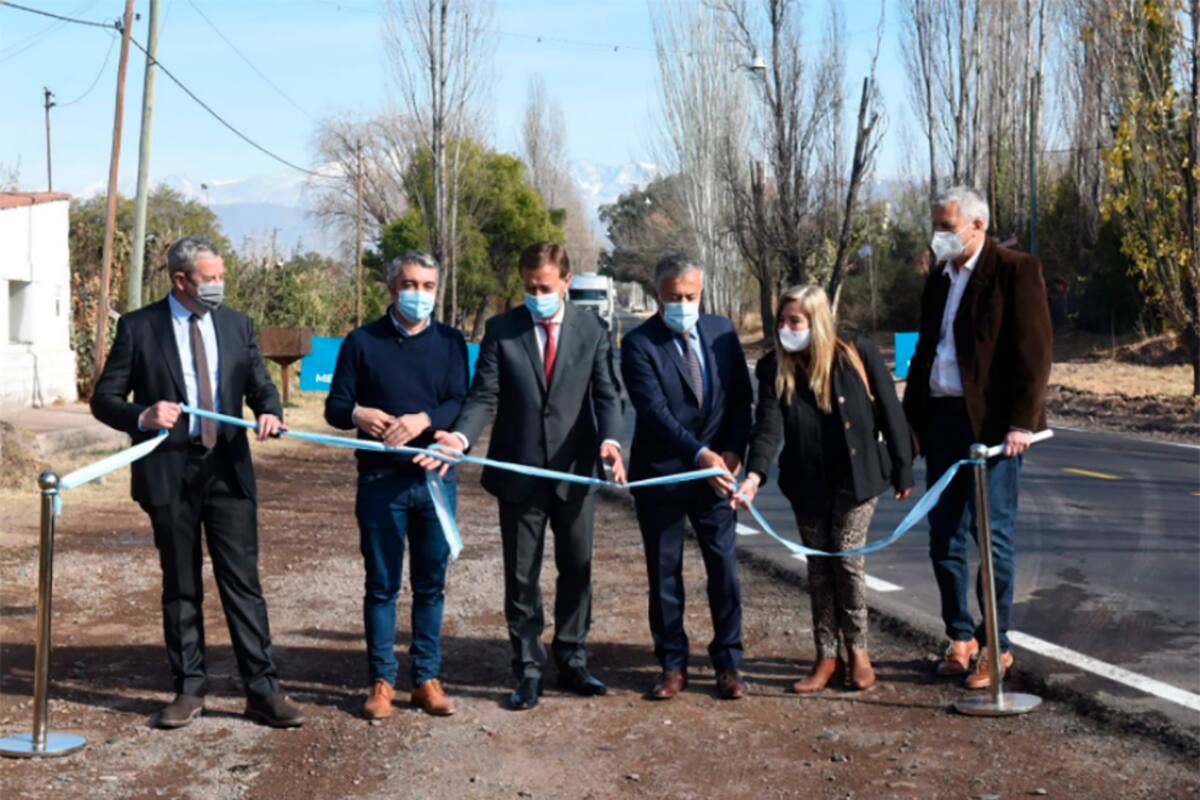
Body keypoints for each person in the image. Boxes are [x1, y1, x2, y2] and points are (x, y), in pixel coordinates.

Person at [90, 236, 304, 729]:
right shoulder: (139, 327)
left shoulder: (236, 324)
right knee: (181, 582)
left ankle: (263, 690)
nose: (219, 285)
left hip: (227, 470)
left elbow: (260, 384)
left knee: (243, 583)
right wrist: (141, 414)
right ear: (181, 281)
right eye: (210, 278)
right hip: (169, 472)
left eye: (220, 275)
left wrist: (270, 413)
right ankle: (189, 688)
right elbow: (104, 399)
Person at [416, 242, 625, 711]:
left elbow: (608, 394)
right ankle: (528, 668)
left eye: (545, 288)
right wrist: (460, 439)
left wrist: (610, 440)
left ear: (566, 283)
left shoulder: (592, 330)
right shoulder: (501, 330)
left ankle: (572, 658)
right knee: (522, 575)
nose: (536, 295)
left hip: (575, 472)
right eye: (529, 288)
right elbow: (483, 396)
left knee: (576, 569)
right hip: (518, 474)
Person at [902, 186, 1052, 689]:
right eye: (937, 227)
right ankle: (960, 637)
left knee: (992, 537)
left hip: (991, 430)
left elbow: (1033, 352)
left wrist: (1021, 423)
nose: (939, 236)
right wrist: (912, 426)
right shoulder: (938, 281)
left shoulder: (1014, 271)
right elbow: (925, 352)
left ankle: (996, 645)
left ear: (977, 226)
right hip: (941, 419)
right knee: (942, 536)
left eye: (947, 227)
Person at [736, 286, 913, 693]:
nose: (785, 328)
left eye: (794, 321)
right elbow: (767, 428)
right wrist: (754, 476)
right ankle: (826, 657)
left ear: (816, 321)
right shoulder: (771, 367)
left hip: (858, 478)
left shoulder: (855, 351)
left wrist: (903, 468)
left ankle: (859, 654)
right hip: (807, 482)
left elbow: (889, 408)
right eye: (781, 321)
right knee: (819, 567)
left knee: (846, 562)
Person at [324, 251, 468, 719]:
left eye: (428, 286)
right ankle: (381, 680)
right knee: (382, 585)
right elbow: (335, 405)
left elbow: (458, 401)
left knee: (431, 585)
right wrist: (356, 414)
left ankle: (426, 677)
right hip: (380, 481)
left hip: (434, 481)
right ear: (391, 288)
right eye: (409, 284)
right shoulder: (362, 341)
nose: (418, 294)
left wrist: (425, 418)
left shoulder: (450, 342)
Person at [620, 254, 753, 701]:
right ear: (658, 295)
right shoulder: (639, 343)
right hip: (663, 476)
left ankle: (729, 664)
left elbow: (739, 398)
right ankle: (672, 664)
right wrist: (700, 454)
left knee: (724, 570)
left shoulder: (722, 332)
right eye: (674, 297)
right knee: (665, 573)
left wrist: (732, 452)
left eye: (690, 296)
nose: (682, 304)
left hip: (717, 476)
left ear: (702, 292)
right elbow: (653, 411)